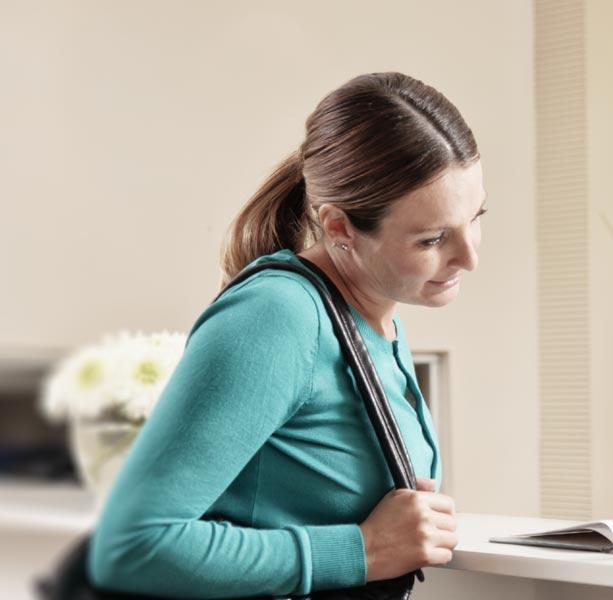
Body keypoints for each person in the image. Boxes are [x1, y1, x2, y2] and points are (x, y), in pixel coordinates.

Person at [88, 72, 486, 596]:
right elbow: (132, 548)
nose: (470, 257)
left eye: (476, 217)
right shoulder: (278, 316)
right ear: (339, 226)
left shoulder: (372, 319)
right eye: (432, 238)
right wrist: (362, 551)